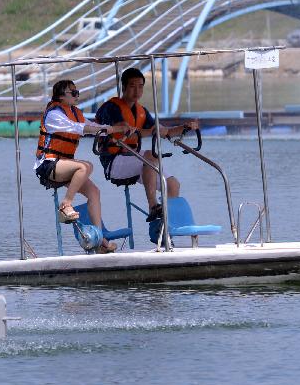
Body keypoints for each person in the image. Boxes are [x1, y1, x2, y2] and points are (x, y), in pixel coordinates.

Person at [35, 79, 128, 254]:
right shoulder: (54, 115)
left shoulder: (75, 112)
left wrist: (116, 129)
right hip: (48, 164)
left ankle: (101, 240)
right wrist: (113, 129)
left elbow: (94, 126)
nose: (77, 96)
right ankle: (66, 204)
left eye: (77, 92)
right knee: (84, 167)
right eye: (73, 93)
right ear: (61, 96)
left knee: (94, 192)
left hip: (64, 164)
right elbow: (79, 128)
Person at [95, 68, 198, 222]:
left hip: (133, 157)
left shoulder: (142, 111)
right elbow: (125, 129)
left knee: (173, 185)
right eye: (132, 86)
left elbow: (163, 132)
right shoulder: (110, 107)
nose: (137, 91)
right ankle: (153, 206)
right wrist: (151, 131)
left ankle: (166, 227)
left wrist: (185, 127)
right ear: (123, 87)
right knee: (150, 155)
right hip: (113, 162)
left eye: (141, 86)